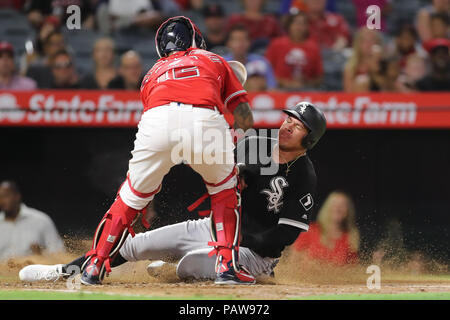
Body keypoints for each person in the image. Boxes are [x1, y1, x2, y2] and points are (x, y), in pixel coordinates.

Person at [19, 101, 327, 282]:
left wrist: (240, 243)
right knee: (133, 246)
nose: (288, 125)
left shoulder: (304, 175)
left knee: (191, 263)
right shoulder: (255, 143)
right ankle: (66, 271)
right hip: (214, 228)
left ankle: (181, 268)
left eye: (298, 125)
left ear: (309, 139)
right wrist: (238, 170)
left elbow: (287, 233)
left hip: (253, 253)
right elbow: (229, 171)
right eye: (288, 118)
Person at [72, 16, 254, 286]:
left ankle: (94, 265)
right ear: (196, 41)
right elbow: (243, 114)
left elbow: (166, 119)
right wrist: (235, 141)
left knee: (129, 198)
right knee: (225, 189)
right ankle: (226, 265)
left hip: (156, 120)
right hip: (203, 118)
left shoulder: (150, 74)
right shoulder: (214, 60)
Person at [0, 181, 64, 261]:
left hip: (34, 272)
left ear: (17, 196)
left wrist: (42, 256)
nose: (1, 201)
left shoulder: (41, 220)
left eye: (6, 196)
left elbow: (59, 253)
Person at [292, 191, 359, 266]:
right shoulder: (310, 230)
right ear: (327, 208)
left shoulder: (350, 237)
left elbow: (353, 268)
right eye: (334, 204)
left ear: (348, 211)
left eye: (342, 205)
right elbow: (293, 262)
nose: (337, 208)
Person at [265, 12, 323, 90]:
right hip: (280, 88)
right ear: (289, 26)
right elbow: (266, 71)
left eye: (303, 24)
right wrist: (284, 82)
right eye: (296, 23)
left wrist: (306, 82)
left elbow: (319, 77)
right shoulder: (277, 44)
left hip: (306, 89)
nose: (299, 27)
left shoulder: (313, 47)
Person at [223, 25, 277, 90]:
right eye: (236, 40)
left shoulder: (262, 62)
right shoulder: (221, 64)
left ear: (249, 42)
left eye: (244, 39)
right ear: (228, 43)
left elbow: (272, 88)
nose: (241, 43)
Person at [342, 27, 383, 92]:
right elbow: (348, 93)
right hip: (359, 99)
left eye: (372, 40)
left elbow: (385, 85)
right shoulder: (351, 68)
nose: (369, 44)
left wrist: (376, 61)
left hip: (381, 98)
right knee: (361, 80)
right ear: (358, 43)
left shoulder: (382, 63)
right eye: (365, 40)